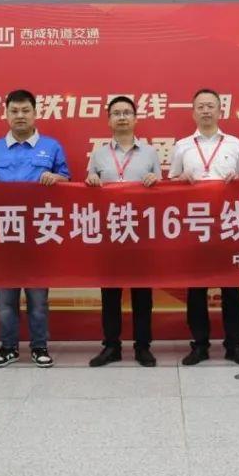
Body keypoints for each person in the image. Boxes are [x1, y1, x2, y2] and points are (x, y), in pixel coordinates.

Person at [0, 89, 70, 369]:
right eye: (14, 111)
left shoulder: (51, 146)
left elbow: (67, 180)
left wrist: (57, 178)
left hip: (39, 234)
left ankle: (40, 347)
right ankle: (9, 347)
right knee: (5, 300)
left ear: (35, 113)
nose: (20, 116)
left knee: (38, 300)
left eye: (25, 110)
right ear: (6, 114)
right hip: (5, 235)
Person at [169, 88, 239, 366]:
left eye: (211, 106)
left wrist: (238, 180)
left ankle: (235, 345)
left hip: (228, 223)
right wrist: (182, 179)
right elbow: (170, 184)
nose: (206, 111)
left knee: (232, 290)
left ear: (220, 111)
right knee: (196, 290)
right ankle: (200, 345)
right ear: (193, 112)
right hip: (195, 226)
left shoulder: (234, 144)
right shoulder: (182, 145)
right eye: (201, 106)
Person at [85, 96, 162, 368]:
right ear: (109, 120)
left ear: (135, 119)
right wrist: (91, 180)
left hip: (141, 231)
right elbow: (89, 187)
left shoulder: (150, 153)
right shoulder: (98, 154)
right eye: (116, 113)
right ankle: (111, 346)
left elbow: (163, 191)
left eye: (127, 112)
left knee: (142, 293)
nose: (122, 117)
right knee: (110, 293)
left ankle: (143, 346)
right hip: (110, 232)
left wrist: (155, 181)